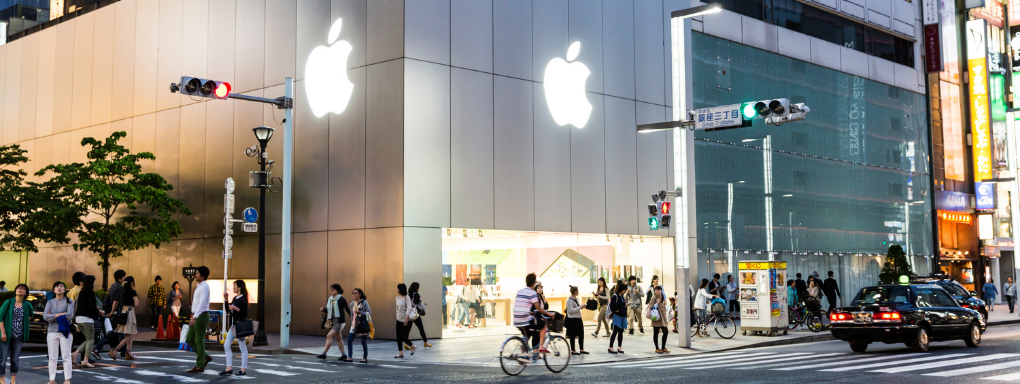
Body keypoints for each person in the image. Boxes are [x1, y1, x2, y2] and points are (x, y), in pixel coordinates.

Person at [513, 273, 553, 353]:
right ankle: (541, 347)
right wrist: (549, 314)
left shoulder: (520, 291)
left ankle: (522, 354)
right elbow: (539, 308)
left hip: (516, 319)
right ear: (534, 283)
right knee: (543, 325)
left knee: (528, 334)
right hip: (525, 319)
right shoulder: (532, 293)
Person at [0, 284, 32, 384]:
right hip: (6, 336)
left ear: (26, 293)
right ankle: (2, 380)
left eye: (23, 289)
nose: (20, 290)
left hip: (19, 336)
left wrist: (22, 324)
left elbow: (30, 315)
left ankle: (13, 381)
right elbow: (0, 317)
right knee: (2, 360)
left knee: (15, 359)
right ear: (15, 291)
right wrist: (3, 332)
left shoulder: (27, 305)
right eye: (18, 288)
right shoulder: (8, 302)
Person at [45, 281, 74, 384]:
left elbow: (70, 316)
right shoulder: (50, 302)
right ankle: (51, 380)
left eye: (61, 286)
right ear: (54, 290)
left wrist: (53, 315)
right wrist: (61, 314)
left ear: (64, 289)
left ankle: (67, 379)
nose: (59, 288)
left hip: (65, 331)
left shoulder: (69, 301)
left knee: (66, 356)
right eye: (57, 287)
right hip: (52, 332)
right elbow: (45, 317)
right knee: (52, 357)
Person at [93, 270, 126, 358]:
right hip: (116, 313)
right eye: (123, 277)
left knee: (117, 332)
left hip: (112, 312)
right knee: (115, 332)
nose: (124, 278)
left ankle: (120, 351)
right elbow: (116, 301)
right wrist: (112, 312)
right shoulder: (119, 287)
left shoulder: (113, 286)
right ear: (120, 278)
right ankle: (97, 349)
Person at [71, 275, 102, 368]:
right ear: (91, 282)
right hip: (87, 319)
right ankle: (85, 360)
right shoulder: (90, 293)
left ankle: (75, 353)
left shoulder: (81, 292)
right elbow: (91, 308)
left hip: (79, 319)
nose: (95, 283)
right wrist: (98, 311)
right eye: (94, 281)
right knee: (91, 339)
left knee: (88, 339)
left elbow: (83, 306)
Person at [219, 280, 249, 376]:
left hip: (240, 326)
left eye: (234, 286)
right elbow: (228, 309)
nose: (233, 288)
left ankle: (243, 369)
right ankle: (229, 367)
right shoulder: (235, 298)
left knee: (242, 347)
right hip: (233, 326)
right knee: (226, 345)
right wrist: (226, 299)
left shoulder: (244, 299)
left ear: (239, 287)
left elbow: (245, 313)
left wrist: (235, 309)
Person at [185, 266, 212, 373]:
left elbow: (202, 303)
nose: (195, 274)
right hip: (196, 314)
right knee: (189, 339)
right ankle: (205, 357)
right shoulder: (200, 286)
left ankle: (200, 365)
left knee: (198, 340)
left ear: (203, 275)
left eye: (197, 273)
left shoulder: (205, 287)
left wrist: (194, 317)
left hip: (201, 315)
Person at [317, 284, 351, 361]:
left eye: (333, 289)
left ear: (338, 290)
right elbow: (329, 310)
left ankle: (324, 353)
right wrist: (324, 309)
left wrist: (354, 319)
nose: (331, 290)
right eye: (331, 289)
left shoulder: (342, 299)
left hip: (340, 322)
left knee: (329, 336)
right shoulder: (330, 299)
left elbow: (347, 309)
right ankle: (344, 354)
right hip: (332, 321)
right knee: (338, 338)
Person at [109, 277, 139, 361]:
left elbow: (115, 302)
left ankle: (128, 352)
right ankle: (116, 349)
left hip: (123, 312)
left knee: (129, 334)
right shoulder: (133, 291)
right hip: (130, 313)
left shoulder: (121, 291)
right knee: (132, 333)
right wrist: (137, 301)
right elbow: (136, 304)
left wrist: (112, 311)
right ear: (132, 283)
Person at [344, 288, 371, 363]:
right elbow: (352, 315)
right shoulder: (352, 304)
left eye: (356, 293)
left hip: (362, 324)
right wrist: (351, 323)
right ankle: (349, 357)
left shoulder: (364, 302)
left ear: (360, 294)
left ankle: (365, 357)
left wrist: (360, 312)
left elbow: (369, 313)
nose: (354, 295)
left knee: (363, 341)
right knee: (349, 339)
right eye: (353, 293)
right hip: (354, 324)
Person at [405, 282, 432, 349]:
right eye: (418, 287)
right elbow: (416, 302)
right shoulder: (416, 294)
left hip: (410, 314)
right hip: (415, 314)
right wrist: (420, 299)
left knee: (408, 329)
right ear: (417, 288)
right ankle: (426, 342)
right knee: (421, 328)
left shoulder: (408, 295)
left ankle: (406, 343)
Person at [394, 284, 416, 358]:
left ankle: (412, 345)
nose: (396, 290)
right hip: (398, 319)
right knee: (398, 337)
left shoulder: (407, 297)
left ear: (401, 289)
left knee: (402, 336)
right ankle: (400, 353)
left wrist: (406, 318)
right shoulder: (397, 298)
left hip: (405, 319)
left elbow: (409, 308)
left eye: (397, 288)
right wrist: (396, 317)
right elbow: (397, 309)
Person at [564, 286, 587, 355]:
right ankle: (573, 350)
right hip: (572, 320)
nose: (578, 292)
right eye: (578, 290)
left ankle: (581, 349)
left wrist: (580, 307)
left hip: (578, 318)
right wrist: (580, 307)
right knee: (572, 335)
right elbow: (570, 311)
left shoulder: (576, 299)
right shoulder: (569, 300)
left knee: (581, 334)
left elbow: (576, 308)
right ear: (575, 292)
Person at [608, 282, 628, 354]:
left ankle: (619, 347)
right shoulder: (615, 296)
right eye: (624, 289)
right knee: (615, 331)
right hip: (617, 316)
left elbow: (620, 304)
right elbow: (612, 306)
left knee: (621, 332)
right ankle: (610, 347)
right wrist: (616, 310)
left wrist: (625, 305)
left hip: (622, 315)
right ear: (621, 289)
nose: (625, 291)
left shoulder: (621, 296)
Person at [650, 286, 671, 354]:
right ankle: (657, 348)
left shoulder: (662, 297)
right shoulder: (653, 298)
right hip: (656, 317)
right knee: (656, 333)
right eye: (656, 290)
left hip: (662, 318)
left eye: (659, 290)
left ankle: (663, 347)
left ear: (661, 291)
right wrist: (657, 303)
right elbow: (651, 307)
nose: (657, 291)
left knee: (665, 332)